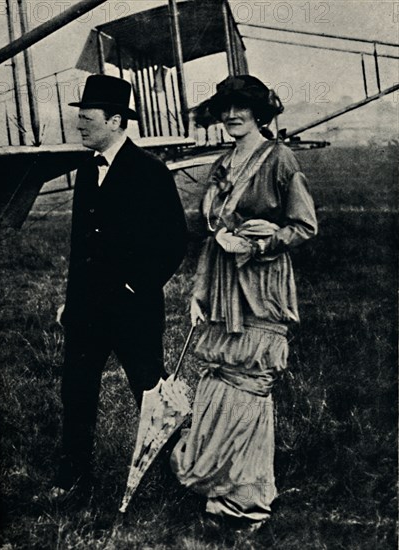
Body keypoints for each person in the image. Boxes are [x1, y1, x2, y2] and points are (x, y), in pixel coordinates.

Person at [171, 75, 317, 531]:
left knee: (250, 382)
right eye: (225, 108)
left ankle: (248, 499)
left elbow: (304, 225)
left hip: (260, 283)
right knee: (221, 378)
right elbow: (211, 240)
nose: (231, 115)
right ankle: (221, 486)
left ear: (259, 112)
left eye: (241, 107)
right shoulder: (222, 163)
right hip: (220, 285)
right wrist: (198, 292)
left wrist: (255, 247)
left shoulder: (279, 159)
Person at [53, 74, 187, 496]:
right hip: (86, 312)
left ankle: (179, 475)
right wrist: (70, 302)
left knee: (150, 393)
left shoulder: (150, 172)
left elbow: (174, 242)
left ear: (115, 120)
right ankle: (74, 478)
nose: (79, 124)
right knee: (76, 392)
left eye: (87, 118)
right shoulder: (87, 171)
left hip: (134, 312)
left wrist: (135, 287)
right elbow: (81, 247)